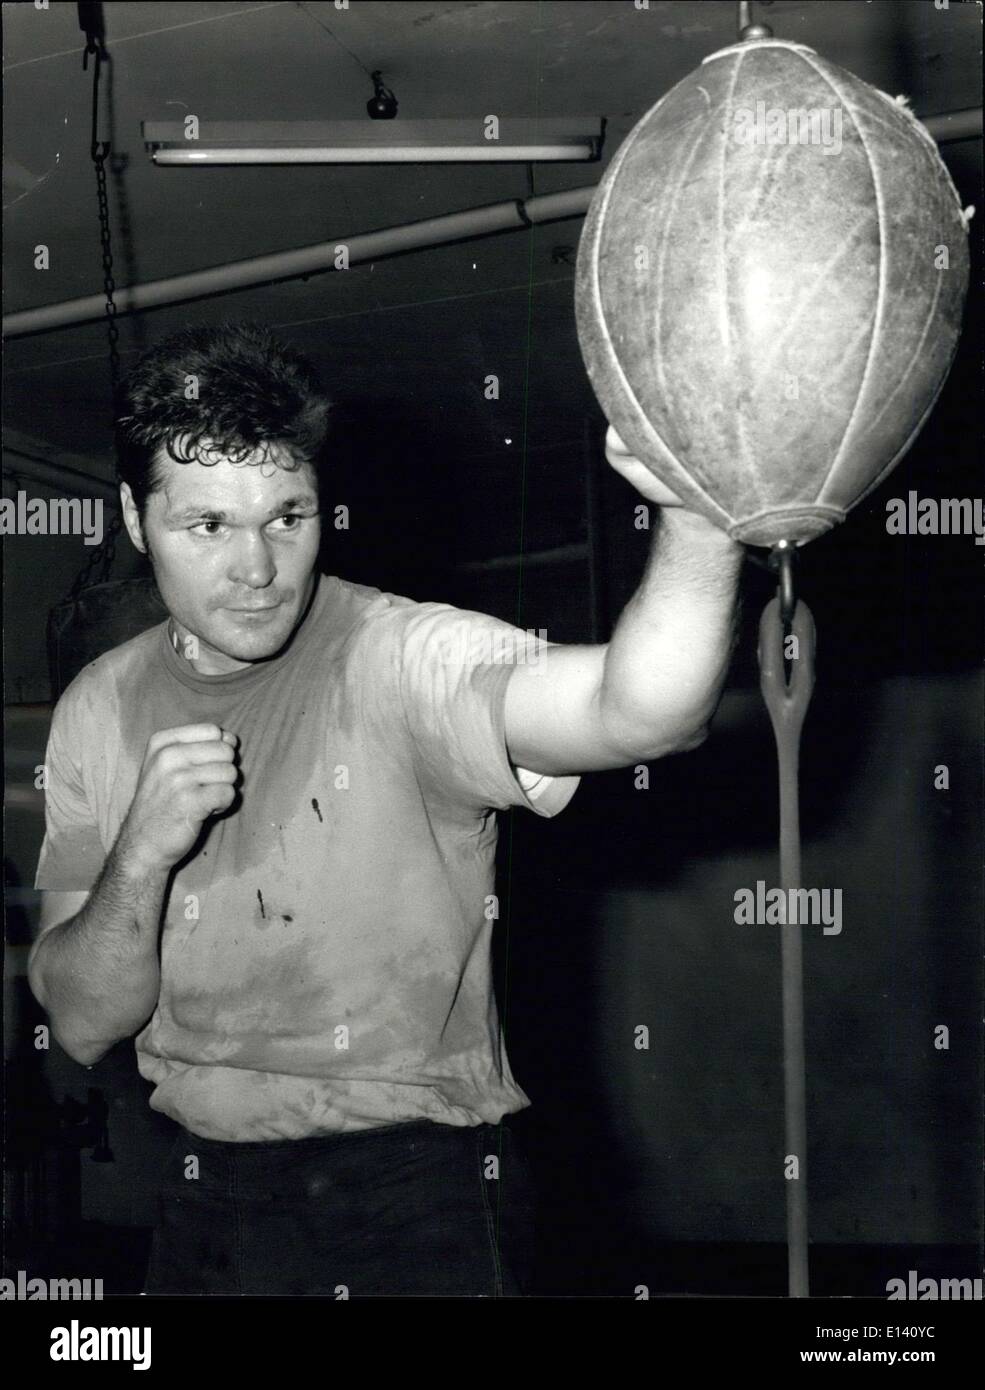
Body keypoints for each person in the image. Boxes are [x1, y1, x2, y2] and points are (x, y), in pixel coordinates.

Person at [28, 322, 743, 1296]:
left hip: (417, 1195)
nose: (258, 566)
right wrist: (141, 856)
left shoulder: (403, 659)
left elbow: (643, 709)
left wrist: (699, 516)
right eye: (208, 526)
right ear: (132, 516)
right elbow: (79, 1019)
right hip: (202, 1196)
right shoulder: (95, 709)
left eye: (289, 516)